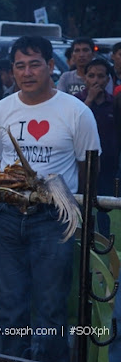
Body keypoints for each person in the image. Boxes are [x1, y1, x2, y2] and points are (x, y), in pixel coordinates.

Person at [0, 36, 101, 362]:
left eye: (35, 63)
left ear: (51, 66)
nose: (27, 71)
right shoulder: (1, 110)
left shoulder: (76, 112)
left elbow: (88, 168)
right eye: (19, 65)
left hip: (55, 219)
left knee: (51, 306)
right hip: (9, 217)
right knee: (10, 304)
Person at [75, 58, 118, 237]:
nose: (96, 81)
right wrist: (90, 100)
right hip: (82, 167)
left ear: (108, 80)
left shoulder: (114, 103)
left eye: (101, 76)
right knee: (81, 208)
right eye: (91, 76)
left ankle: (105, 248)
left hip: (108, 166)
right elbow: (74, 125)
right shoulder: (76, 102)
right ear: (84, 78)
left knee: (104, 209)